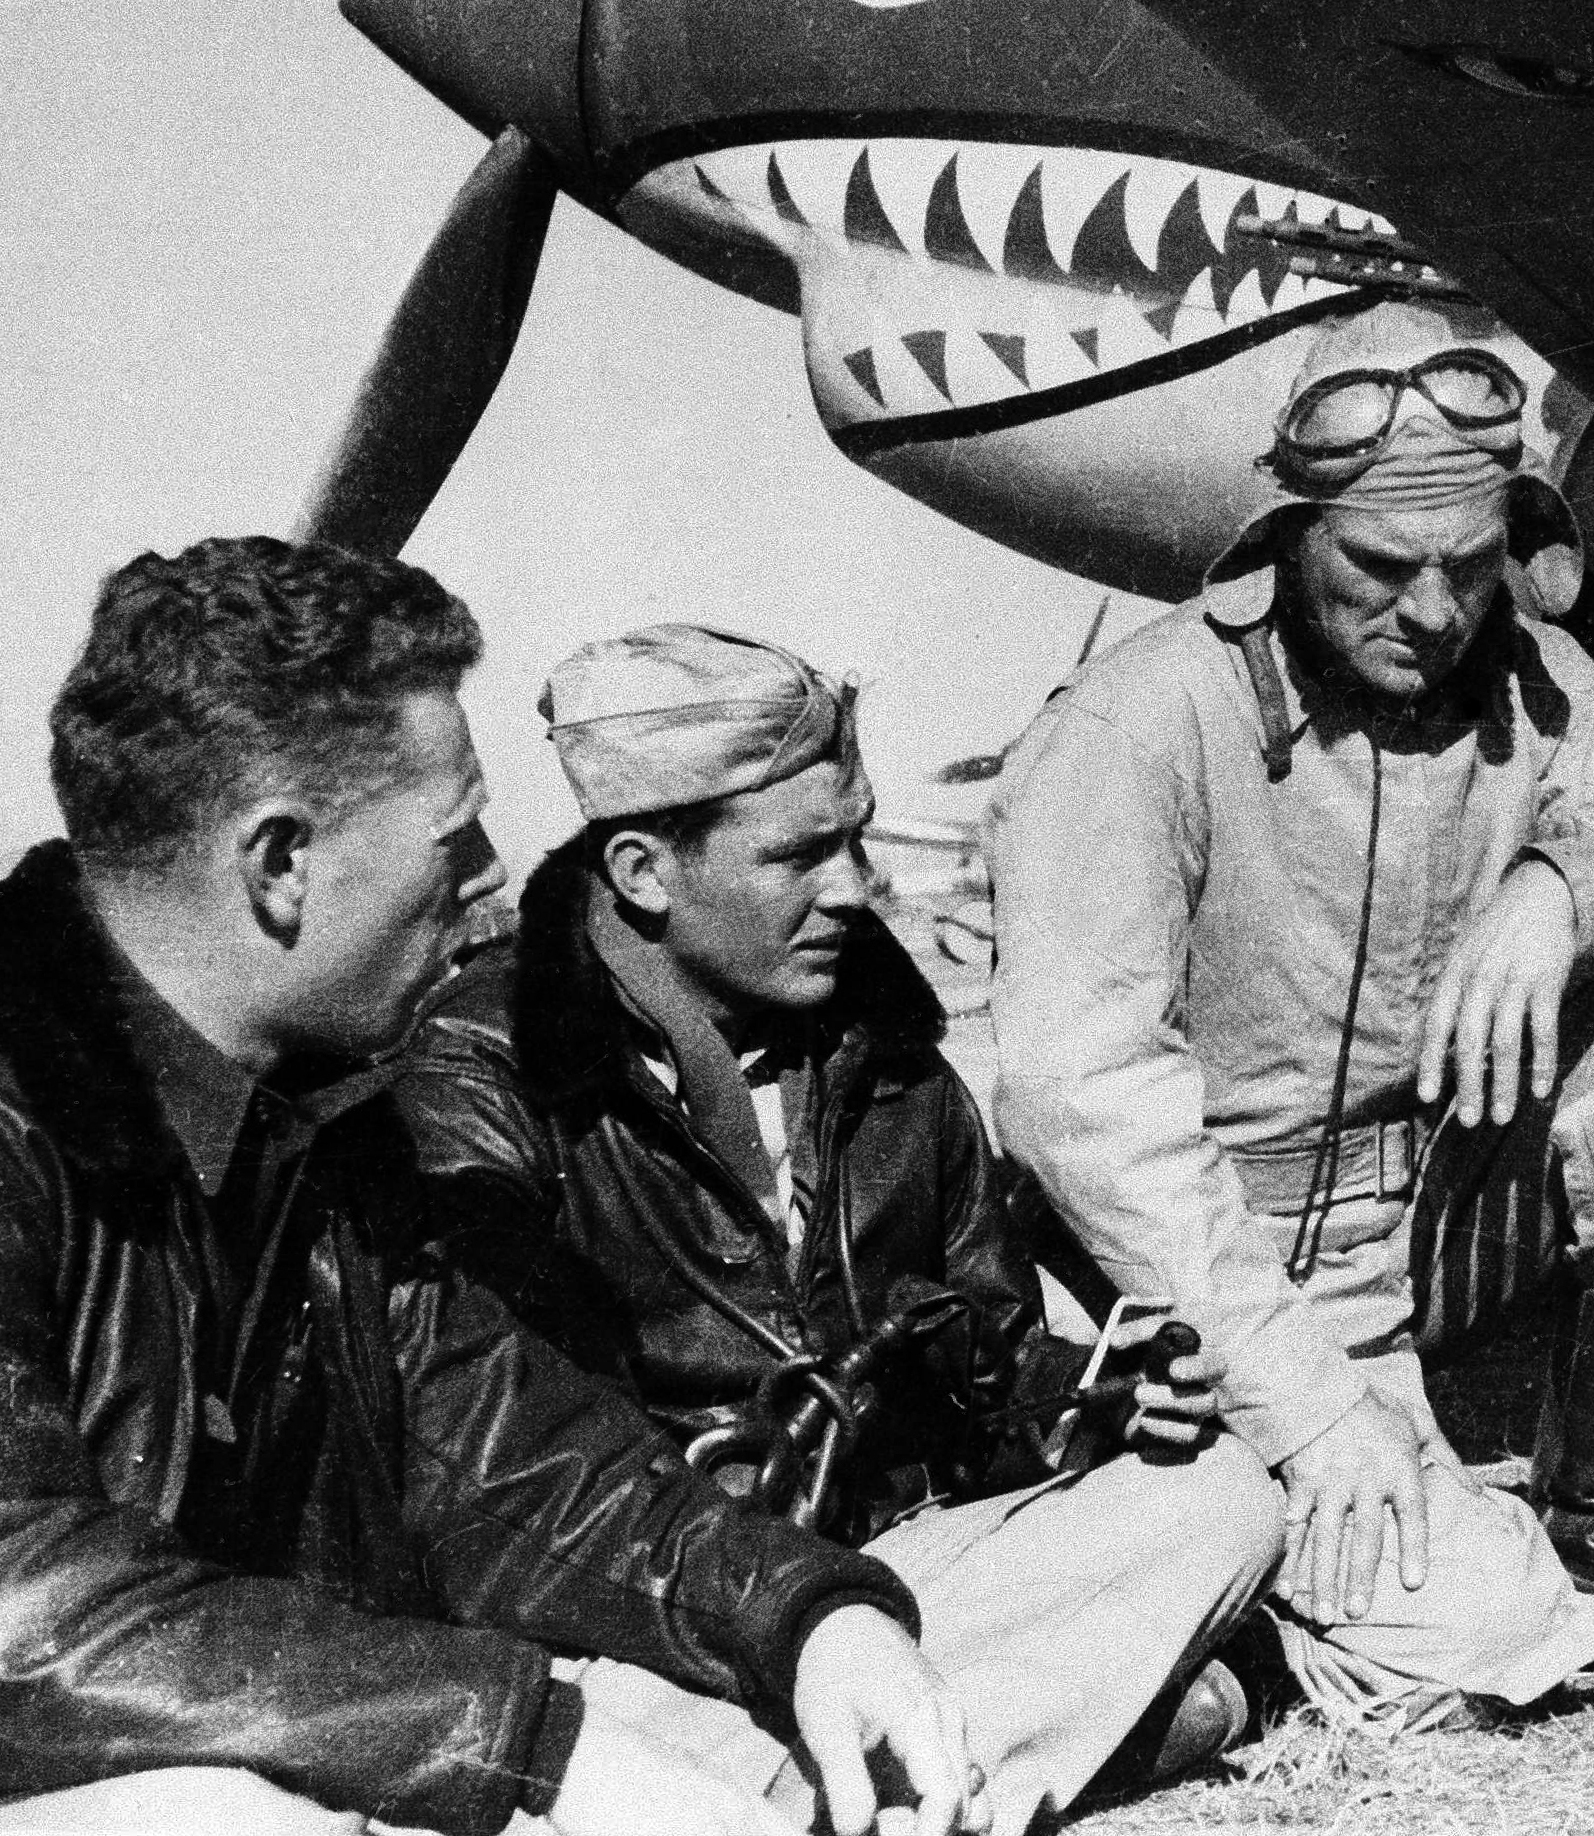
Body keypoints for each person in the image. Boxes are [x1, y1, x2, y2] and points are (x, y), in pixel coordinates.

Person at [0, 539, 971, 1836]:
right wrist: (534, 1746)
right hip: (135, 1773)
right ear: (278, 864)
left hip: (353, 1728)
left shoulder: (330, 1113)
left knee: (1189, 1519)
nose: (492, 882)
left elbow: (511, 1458)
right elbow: (24, 1615)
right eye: (454, 839)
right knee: (224, 1817)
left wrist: (806, 1617)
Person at [987, 297, 1594, 1723]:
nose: (1431, 612)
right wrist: (1303, 1406)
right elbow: (1086, 1107)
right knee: (1492, 1636)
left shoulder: (1530, 674)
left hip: (1427, 1223)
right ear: (1284, 538)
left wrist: (1565, 887)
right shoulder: (1131, 726)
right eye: (1378, 561)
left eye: (1471, 564)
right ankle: (1241, 1582)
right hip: (1207, 1270)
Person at [393, 624, 1286, 1836]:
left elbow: (983, 1345)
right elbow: (504, 1460)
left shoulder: (892, 1063)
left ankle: (872, 1791)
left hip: (876, 1584)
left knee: (1222, 1495)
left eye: (858, 837)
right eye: (804, 852)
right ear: (647, 872)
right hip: (650, 1610)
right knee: (592, 1717)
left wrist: (1092, 1397)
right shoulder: (487, 1073)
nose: (857, 886)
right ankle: (1067, 1745)